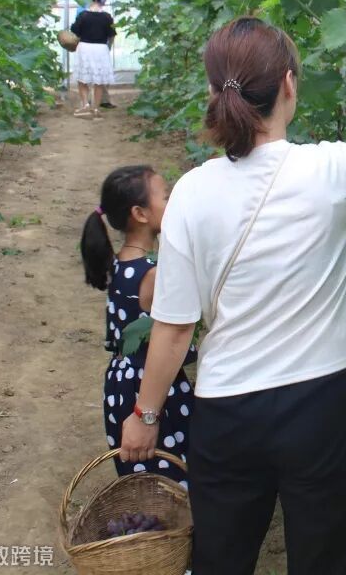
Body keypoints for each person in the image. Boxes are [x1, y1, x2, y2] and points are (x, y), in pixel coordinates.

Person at [119, 12, 346, 575]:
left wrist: (145, 414)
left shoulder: (192, 193)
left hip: (228, 411)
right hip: (323, 406)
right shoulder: (337, 170)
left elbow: (174, 327)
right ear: (290, 85)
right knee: (322, 561)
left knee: (220, 560)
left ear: (214, 93)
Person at [80, 164, 196, 483]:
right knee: (173, 475)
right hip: (152, 388)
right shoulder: (153, 274)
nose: (173, 203)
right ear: (140, 214)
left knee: (144, 478)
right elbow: (178, 333)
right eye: (166, 197)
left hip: (121, 384)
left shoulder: (122, 263)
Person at [71, 0, 116, 118]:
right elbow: (112, 35)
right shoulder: (107, 17)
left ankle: (85, 105)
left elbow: (74, 32)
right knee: (99, 80)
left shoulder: (83, 15)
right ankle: (96, 108)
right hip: (101, 49)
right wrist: (107, 47)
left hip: (85, 48)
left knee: (82, 79)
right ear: (101, 0)